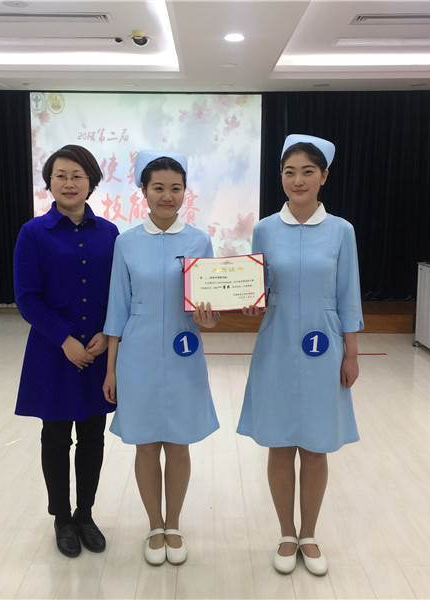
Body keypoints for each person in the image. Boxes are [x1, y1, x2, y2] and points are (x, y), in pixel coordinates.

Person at [237, 134, 363, 576]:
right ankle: (286, 533)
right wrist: (250, 302)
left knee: (315, 445)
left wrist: (351, 353)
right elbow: (258, 288)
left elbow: (348, 294)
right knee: (279, 443)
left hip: (325, 347)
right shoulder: (265, 228)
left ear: (324, 176)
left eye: (308, 171)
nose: (298, 180)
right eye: (289, 172)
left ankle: (309, 533)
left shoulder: (341, 231)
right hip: (276, 342)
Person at [102, 150, 219, 566]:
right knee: (147, 445)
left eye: (175, 188)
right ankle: (155, 525)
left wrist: (208, 319)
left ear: (185, 192)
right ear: (144, 191)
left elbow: (211, 309)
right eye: (158, 188)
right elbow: (117, 308)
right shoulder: (126, 242)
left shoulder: (199, 240)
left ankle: (174, 524)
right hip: (138, 356)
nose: (167, 196)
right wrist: (111, 369)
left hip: (185, 354)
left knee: (179, 443)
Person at [13, 145, 119, 558]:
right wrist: (65, 339)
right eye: (60, 176)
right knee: (56, 437)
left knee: (93, 436)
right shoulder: (33, 233)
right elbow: (27, 297)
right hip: (52, 353)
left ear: (91, 181)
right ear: (49, 182)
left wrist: (107, 334)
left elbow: (118, 292)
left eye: (77, 176)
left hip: (97, 350)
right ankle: (61, 518)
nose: (69, 183)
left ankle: (85, 514)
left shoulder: (109, 233)